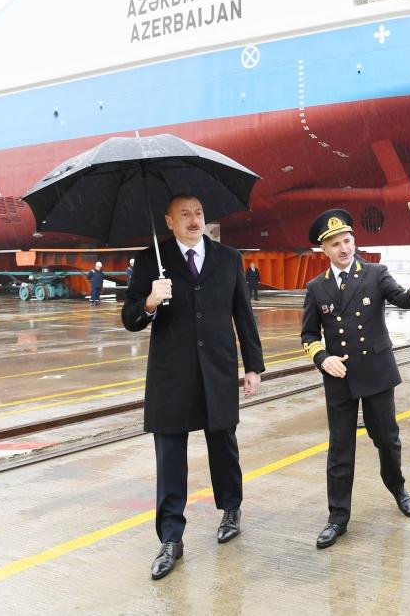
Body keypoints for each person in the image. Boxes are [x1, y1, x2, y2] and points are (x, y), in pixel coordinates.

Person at [122, 194, 265, 580]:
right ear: (168, 221)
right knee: (170, 457)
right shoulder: (151, 259)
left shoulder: (228, 258)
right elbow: (129, 317)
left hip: (217, 370)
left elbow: (243, 315)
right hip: (172, 375)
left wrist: (253, 366)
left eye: (198, 212)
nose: (193, 220)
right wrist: (150, 301)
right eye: (184, 214)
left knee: (224, 446)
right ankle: (171, 539)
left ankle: (231, 508)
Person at [300, 208, 410, 549]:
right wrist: (323, 358)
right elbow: (308, 335)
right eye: (335, 244)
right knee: (340, 449)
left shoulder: (375, 273)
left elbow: (401, 297)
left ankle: (397, 487)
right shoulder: (316, 288)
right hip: (340, 378)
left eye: (347, 240)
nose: (344, 248)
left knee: (387, 439)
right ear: (323, 250)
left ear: (354, 242)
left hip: (375, 373)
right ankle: (337, 518)